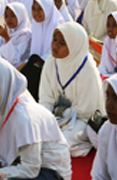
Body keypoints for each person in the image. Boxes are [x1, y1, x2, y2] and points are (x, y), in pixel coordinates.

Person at [38, 22, 105, 157]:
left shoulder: (87, 70)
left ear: (74, 46)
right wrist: (44, 122)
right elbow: (46, 99)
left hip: (81, 121)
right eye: (54, 40)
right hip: (57, 116)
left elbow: (85, 113)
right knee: (35, 135)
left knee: (62, 142)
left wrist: (61, 121)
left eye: (62, 43)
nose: (55, 46)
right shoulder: (51, 62)